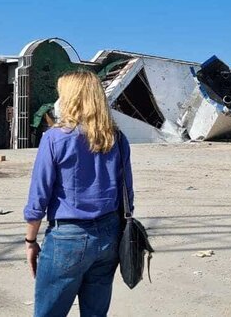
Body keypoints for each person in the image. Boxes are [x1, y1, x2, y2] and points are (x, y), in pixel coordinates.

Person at [23, 70, 134, 317]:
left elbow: (38, 197)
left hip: (68, 237)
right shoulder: (117, 138)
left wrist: (30, 241)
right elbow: (128, 194)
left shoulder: (54, 138)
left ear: (71, 98)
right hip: (109, 235)